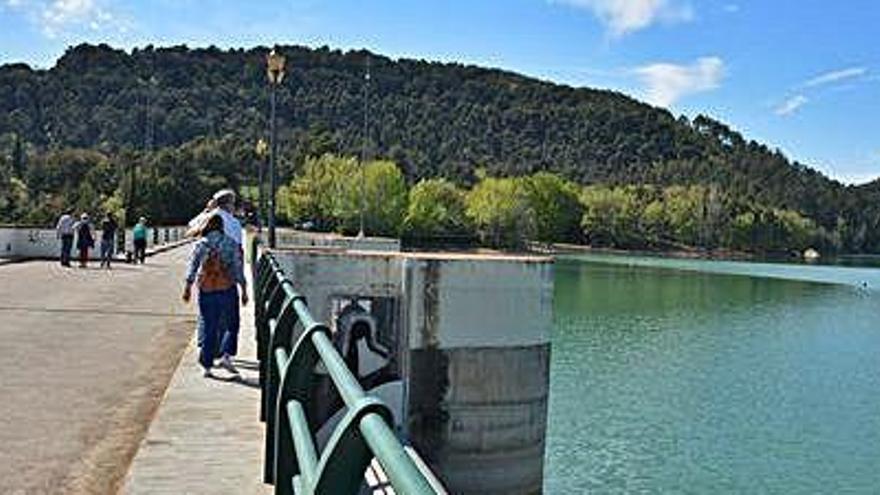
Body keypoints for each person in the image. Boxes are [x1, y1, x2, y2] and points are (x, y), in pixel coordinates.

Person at [182, 214, 248, 377]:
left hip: (207, 289)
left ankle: (207, 366)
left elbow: (193, 266)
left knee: (210, 326)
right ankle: (226, 355)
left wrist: (188, 287)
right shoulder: (230, 243)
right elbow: (237, 268)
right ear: (221, 227)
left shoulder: (201, 244)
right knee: (232, 323)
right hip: (227, 288)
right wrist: (244, 288)